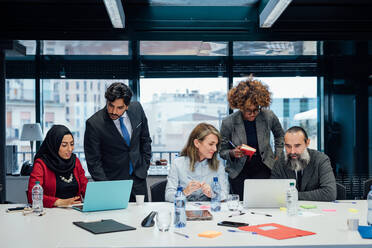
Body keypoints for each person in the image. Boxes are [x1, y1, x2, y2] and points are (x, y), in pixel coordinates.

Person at [84, 82, 152, 202]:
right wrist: (107, 187)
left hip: (138, 181)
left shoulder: (137, 109)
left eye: (119, 107)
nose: (114, 111)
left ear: (127, 105)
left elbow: (145, 139)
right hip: (113, 184)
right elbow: (94, 162)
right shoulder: (94, 124)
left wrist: (144, 165)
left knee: (141, 219)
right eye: (111, 105)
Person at [220, 77, 284, 200]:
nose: (253, 113)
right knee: (241, 206)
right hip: (238, 171)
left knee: (264, 203)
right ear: (240, 106)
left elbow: (280, 135)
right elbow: (221, 150)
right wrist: (232, 153)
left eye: (256, 110)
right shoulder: (228, 122)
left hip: (264, 167)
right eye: (248, 110)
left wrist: (278, 156)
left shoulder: (268, 116)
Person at [165, 123, 229, 202]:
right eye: (211, 144)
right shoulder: (178, 164)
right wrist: (184, 192)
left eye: (216, 145)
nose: (215, 149)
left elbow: (225, 194)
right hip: (184, 210)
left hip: (209, 211)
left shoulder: (218, 165)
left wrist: (212, 194)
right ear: (197, 143)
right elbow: (168, 195)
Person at [27, 125, 88, 208]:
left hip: (76, 211)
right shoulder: (41, 164)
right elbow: (32, 196)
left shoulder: (75, 161)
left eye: (72, 144)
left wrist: (94, 199)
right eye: (64, 145)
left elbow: (85, 187)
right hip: (51, 213)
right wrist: (60, 202)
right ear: (54, 145)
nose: (70, 149)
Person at [271, 126, 337, 201]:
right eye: (288, 146)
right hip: (288, 210)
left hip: (317, 209)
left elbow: (330, 193)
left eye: (297, 146)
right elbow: (273, 193)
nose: (292, 151)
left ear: (307, 143)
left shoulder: (320, 160)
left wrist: (292, 196)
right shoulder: (279, 163)